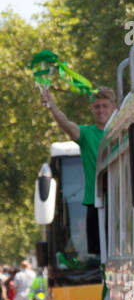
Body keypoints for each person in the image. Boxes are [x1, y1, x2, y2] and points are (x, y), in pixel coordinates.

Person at [40, 85, 116, 255]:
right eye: (97, 106)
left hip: (121, 200)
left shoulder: (122, 130)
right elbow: (66, 124)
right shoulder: (86, 134)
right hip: (97, 202)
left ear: (114, 107)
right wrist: (52, 105)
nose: (101, 110)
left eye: (104, 105)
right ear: (91, 109)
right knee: (101, 256)